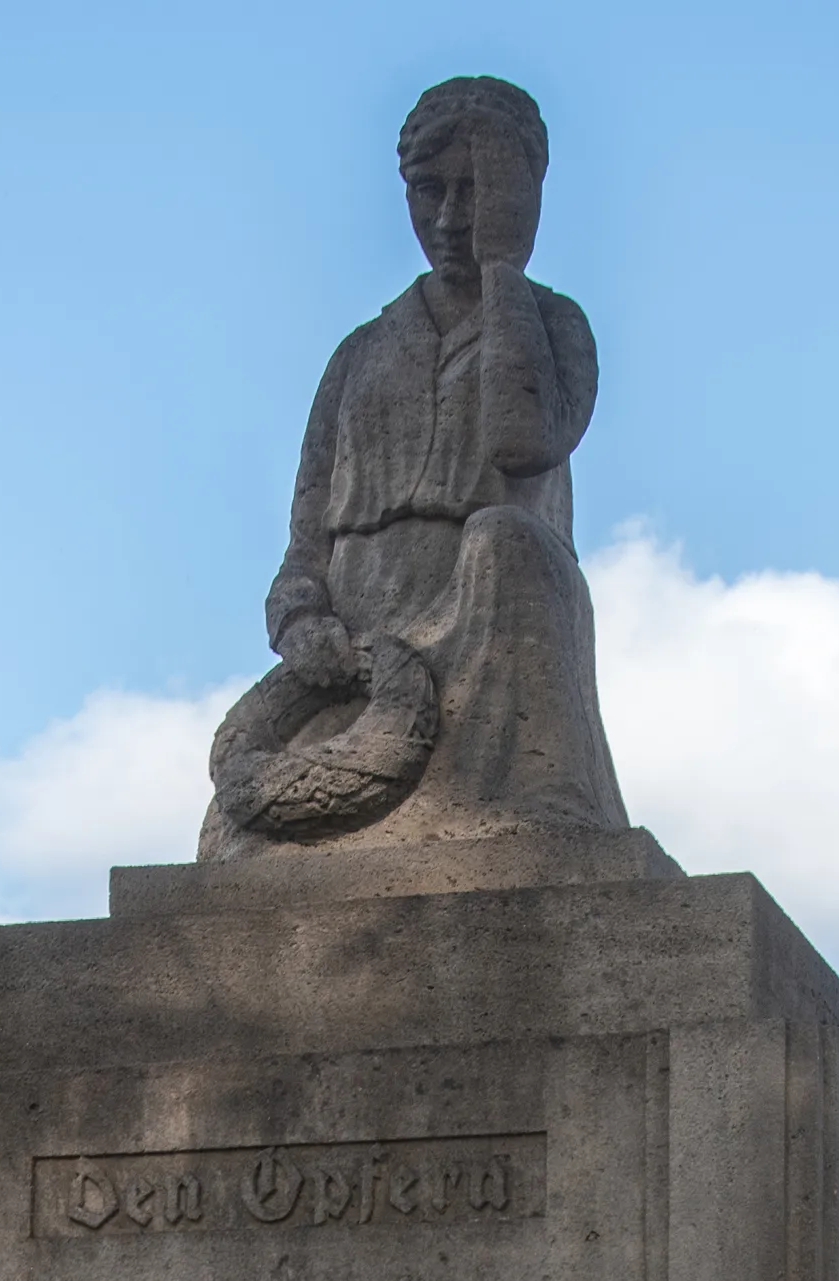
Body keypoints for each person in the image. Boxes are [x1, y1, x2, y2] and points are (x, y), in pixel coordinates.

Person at [201, 76, 629, 856]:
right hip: (362, 663)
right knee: (240, 854)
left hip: (496, 630)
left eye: (478, 192)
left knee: (505, 537)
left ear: (520, 199)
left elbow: (521, 442)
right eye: (430, 191)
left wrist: (504, 271)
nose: (449, 219)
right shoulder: (360, 355)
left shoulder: (553, 325)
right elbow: (302, 552)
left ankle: (518, 805)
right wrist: (303, 625)